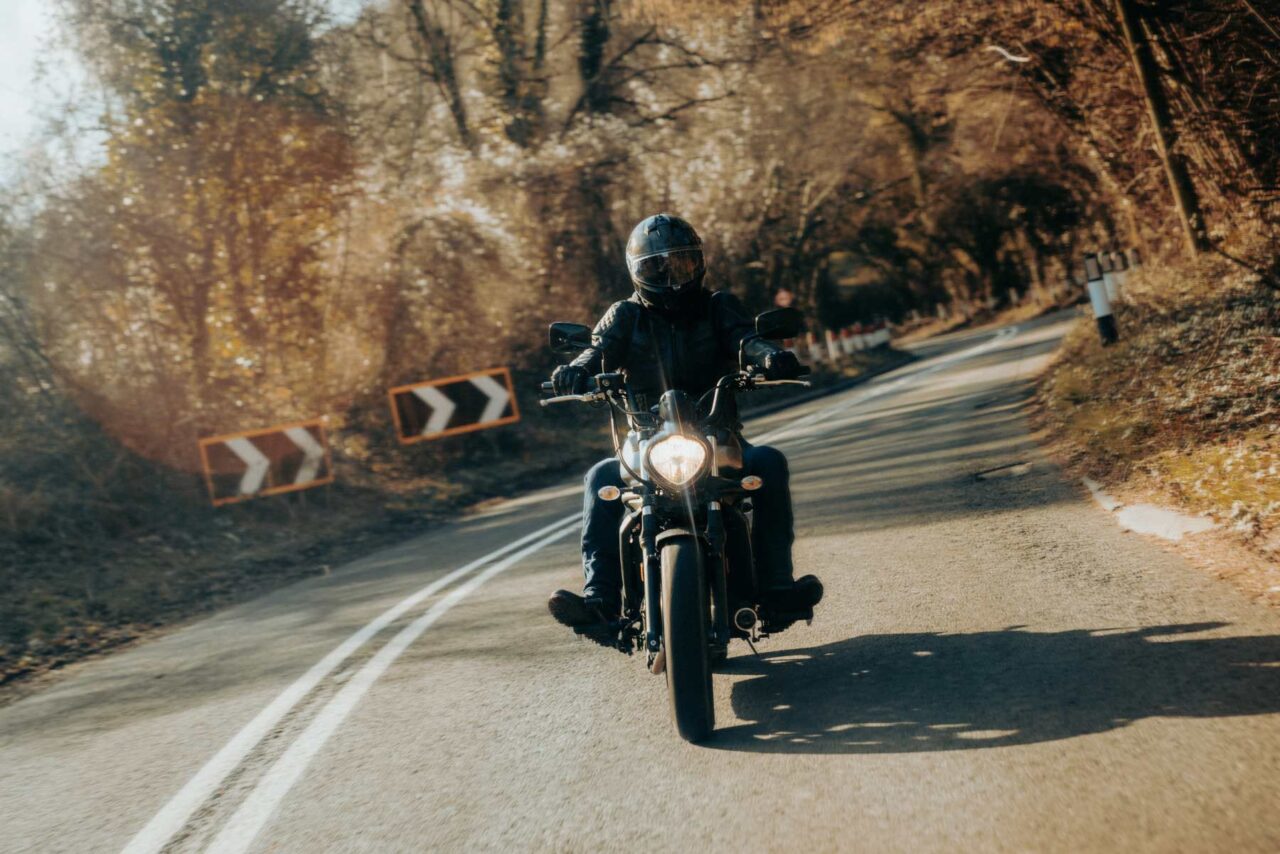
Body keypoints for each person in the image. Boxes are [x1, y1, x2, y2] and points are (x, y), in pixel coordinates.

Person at [546, 213, 823, 637]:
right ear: (636, 271)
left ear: (699, 263)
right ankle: (600, 601)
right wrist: (577, 369)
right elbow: (598, 349)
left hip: (717, 435)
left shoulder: (718, 306)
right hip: (645, 440)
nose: (672, 278)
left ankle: (777, 589)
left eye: (682, 263)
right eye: (657, 267)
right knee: (599, 477)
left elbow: (745, 339)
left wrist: (769, 356)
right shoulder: (625, 315)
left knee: (768, 462)